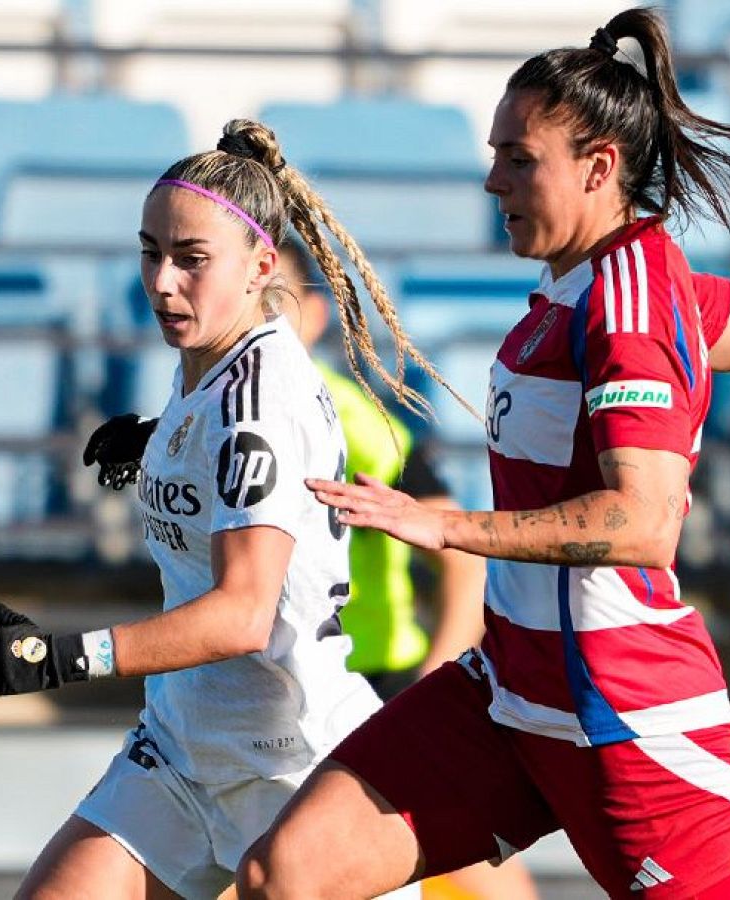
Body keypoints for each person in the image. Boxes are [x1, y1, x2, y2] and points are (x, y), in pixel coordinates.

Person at [236, 9, 730, 900]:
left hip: (624, 715)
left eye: (520, 160)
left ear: (599, 169)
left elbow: (644, 522)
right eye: (494, 153)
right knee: (287, 873)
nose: (491, 180)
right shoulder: (606, 283)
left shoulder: (625, 308)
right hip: (509, 691)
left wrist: (450, 527)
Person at [0, 118, 454, 900]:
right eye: (150, 252)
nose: (163, 281)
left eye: (191, 260)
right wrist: (162, 437)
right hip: (180, 751)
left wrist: (60, 657)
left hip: (289, 764)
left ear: (260, 265)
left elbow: (242, 615)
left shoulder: (256, 401)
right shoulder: (211, 360)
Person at [275, 245, 539, 900]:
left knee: (469, 871)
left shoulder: (349, 419)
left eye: (278, 301)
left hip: (368, 683)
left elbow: (459, 549)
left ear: (315, 315)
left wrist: (440, 668)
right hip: (267, 686)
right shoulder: (207, 418)